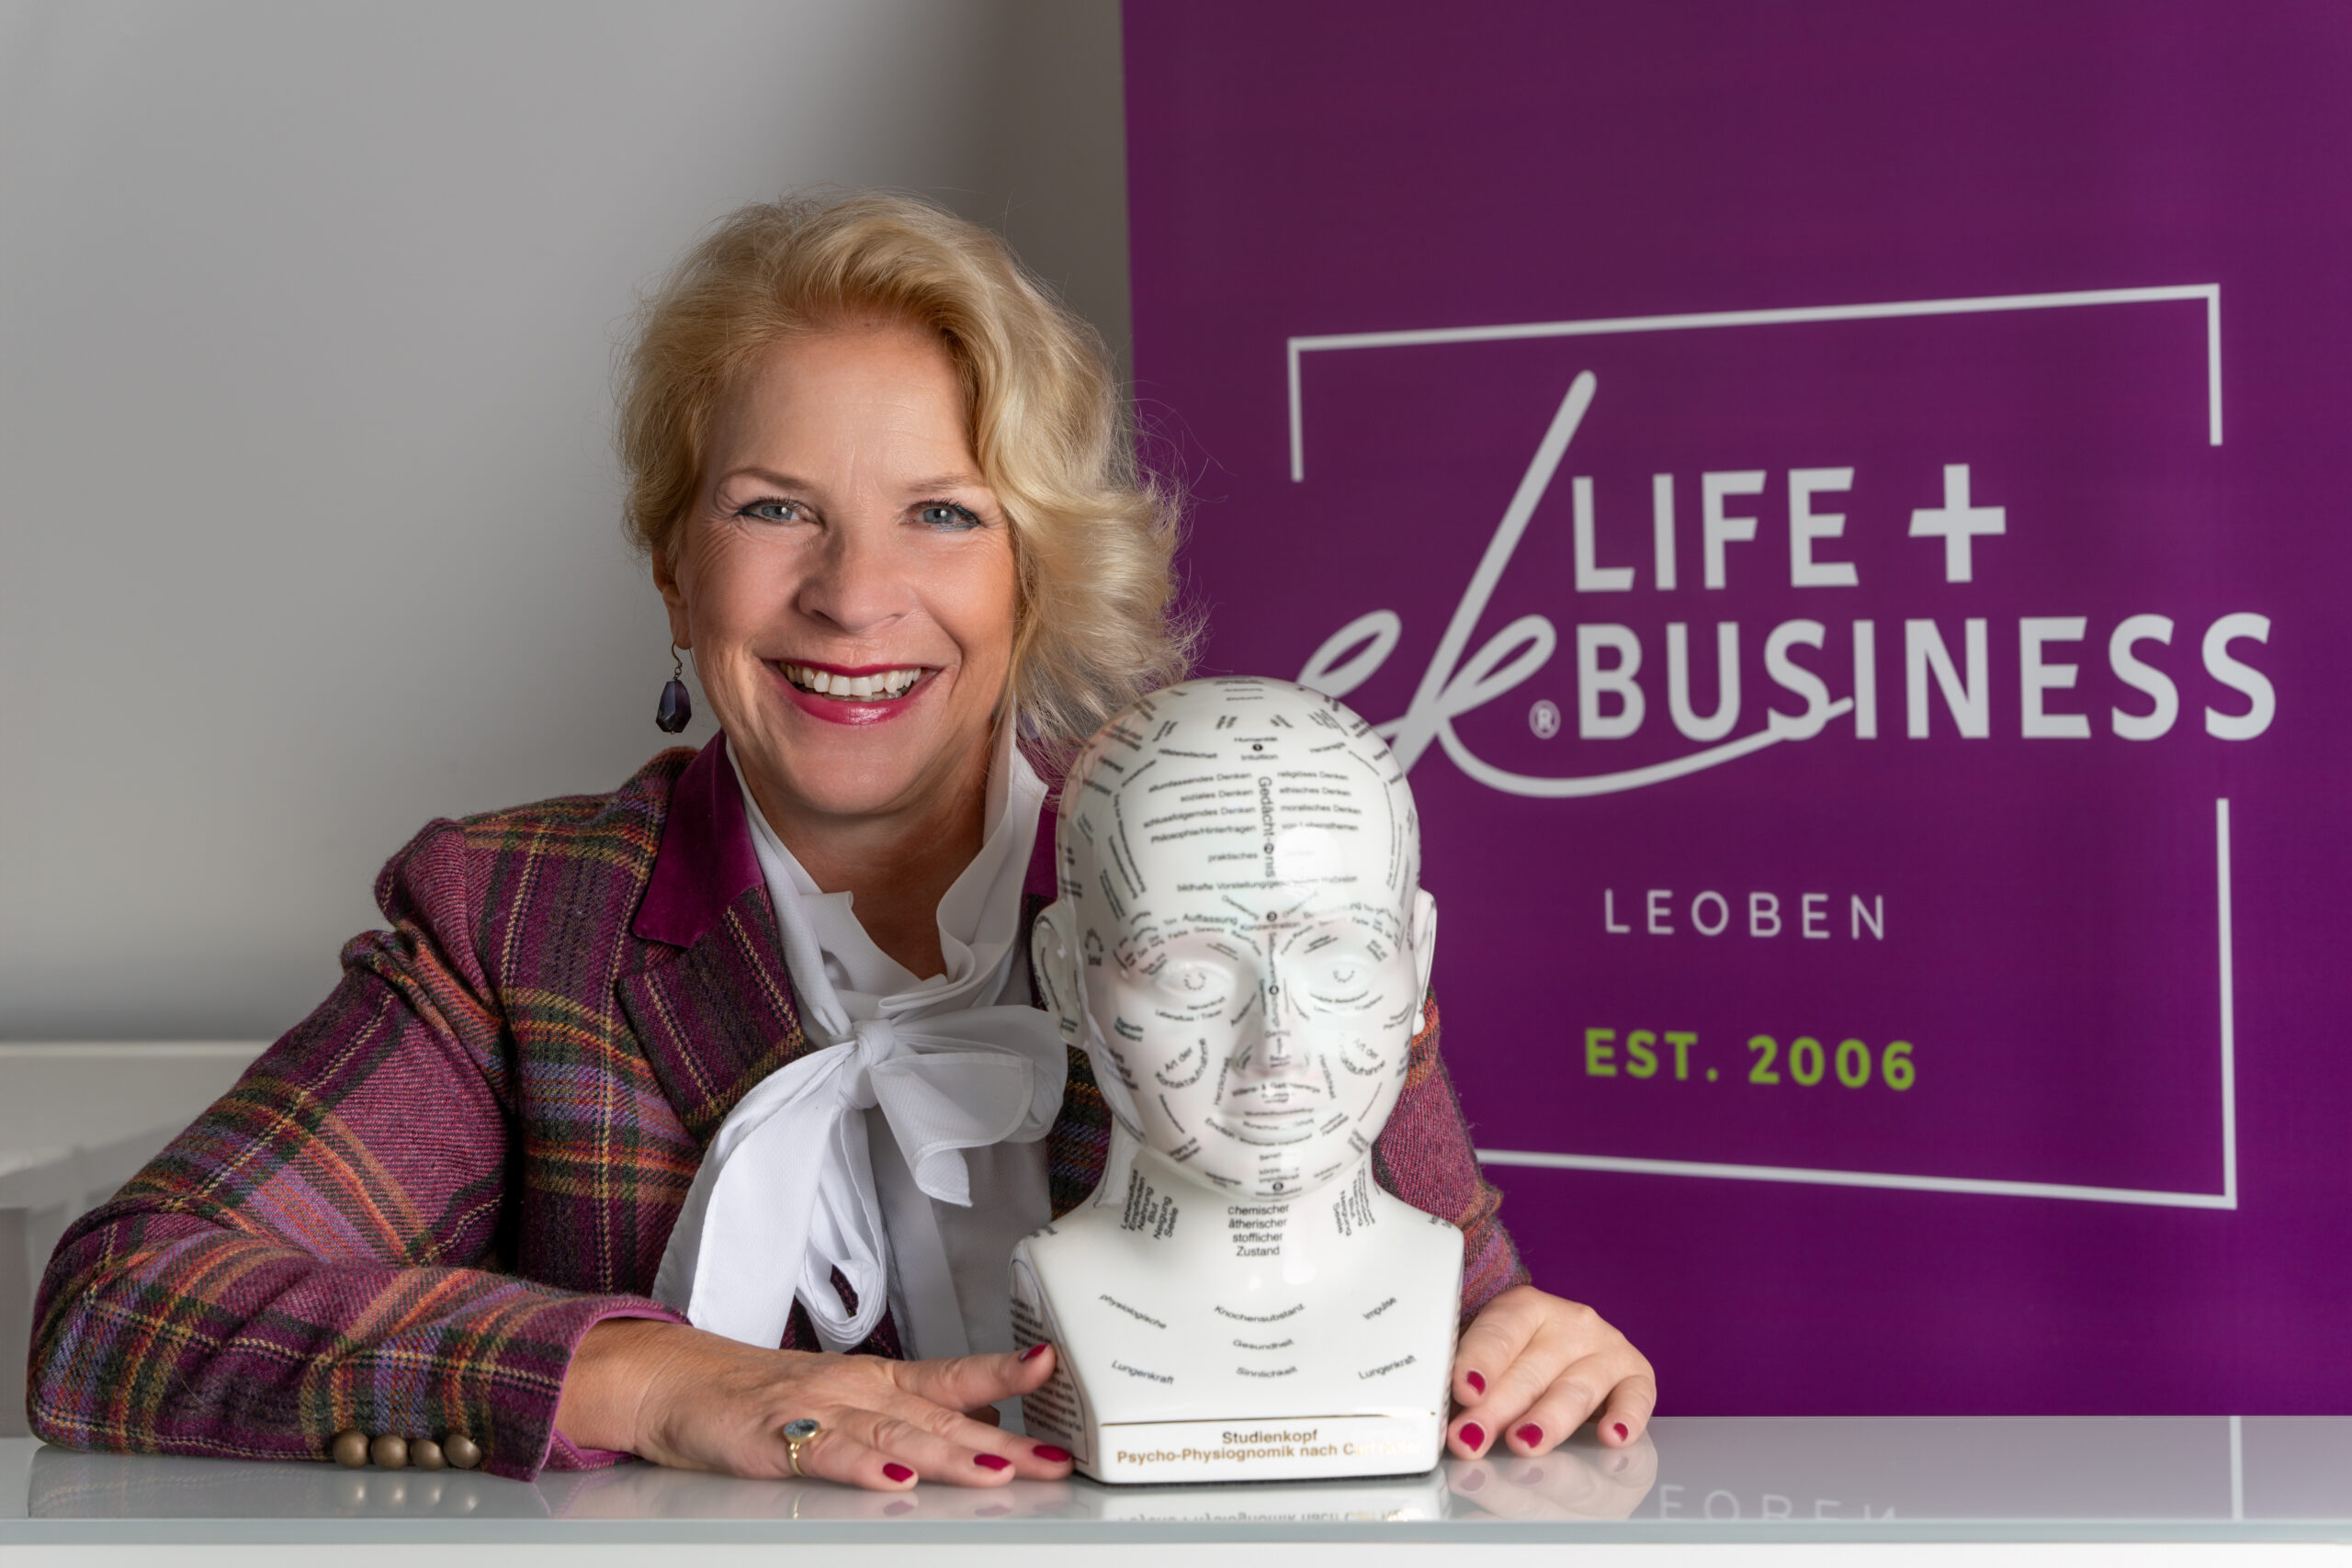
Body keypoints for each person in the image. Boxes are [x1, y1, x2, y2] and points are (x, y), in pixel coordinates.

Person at [26, 191, 1655, 1490]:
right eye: (774, 508)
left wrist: (1535, 1356)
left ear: (1033, 572)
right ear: (675, 568)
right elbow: (119, 1309)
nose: (854, 594)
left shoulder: (1240, 877)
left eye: (942, 513)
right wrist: (659, 1382)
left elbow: (1460, 1325)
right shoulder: (515, 923)